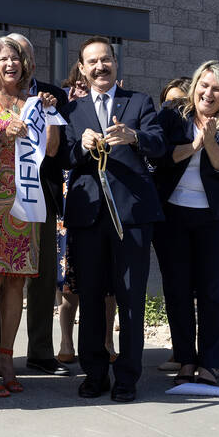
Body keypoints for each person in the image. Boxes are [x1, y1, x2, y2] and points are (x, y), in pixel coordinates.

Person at [63, 36, 165, 402]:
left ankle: (127, 379)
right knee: (89, 298)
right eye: (92, 62)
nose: (100, 67)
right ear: (82, 68)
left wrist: (133, 136)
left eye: (105, 60)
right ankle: (94, 374)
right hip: (89, 218)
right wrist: (81, 146)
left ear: (115, 64)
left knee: (131, 299)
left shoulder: (139, 102)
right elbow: (64, 158)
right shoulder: (72, 111)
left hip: (132, 218)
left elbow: (158, 145)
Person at [0, 36, 60, 397]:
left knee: (17, 283)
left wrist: (48, 116)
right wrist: (5, 136)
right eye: (4, 59)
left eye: (16, 60)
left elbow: (50, 150)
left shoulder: (32, 103)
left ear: (25, 65)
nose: (10, 65)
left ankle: (7, 358)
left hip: (26, 202)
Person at [152, 60, 219, 387]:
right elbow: (160, 157)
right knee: (177, 289)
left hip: (218, 218)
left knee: (213, 289)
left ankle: (210, 363)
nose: (208, 93)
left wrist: (209, 142)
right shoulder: (171, 115)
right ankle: (185, 358)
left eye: (216, 89)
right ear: (194, 87)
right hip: (172, 215)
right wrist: (194, 144)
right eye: (203, 86)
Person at [4, 33, 72, 377]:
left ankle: (41, 352)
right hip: (3, 194)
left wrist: (48, 112)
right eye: (12, 56)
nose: (18, 62)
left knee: (43, 275)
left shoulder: (53, 96)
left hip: (41, 192)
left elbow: (56, 149)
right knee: (3, 274)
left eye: (24, 56)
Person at [55, 62, 119, 369]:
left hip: (103, 206)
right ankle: (67, 342)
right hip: (72, 210)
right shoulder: (69, 118)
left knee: (107, 286)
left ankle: (107, 341)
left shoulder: (110, 113)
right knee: (70, 285)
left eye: (84, 87)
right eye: (76, 88)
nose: (81, 91)